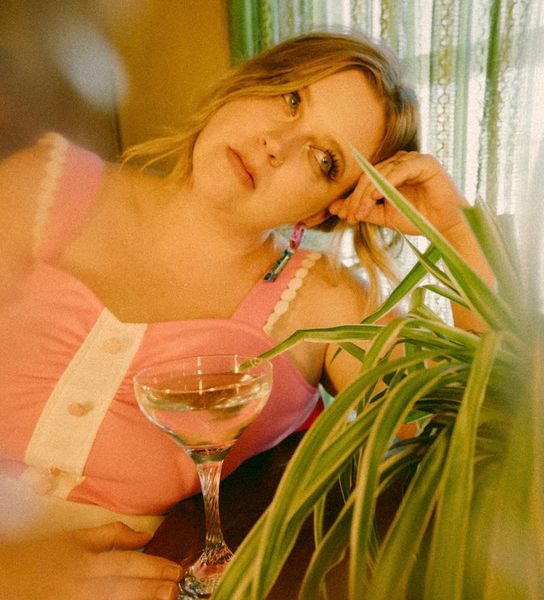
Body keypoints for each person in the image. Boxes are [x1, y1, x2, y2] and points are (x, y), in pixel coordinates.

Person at [0, 31, 491, 599]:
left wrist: (457, 232)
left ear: (327, 210)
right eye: (291, 98)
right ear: (248, 83)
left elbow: (470, 445)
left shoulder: (324, 302)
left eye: (324, 159)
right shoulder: (43, 185)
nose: (277, 145)